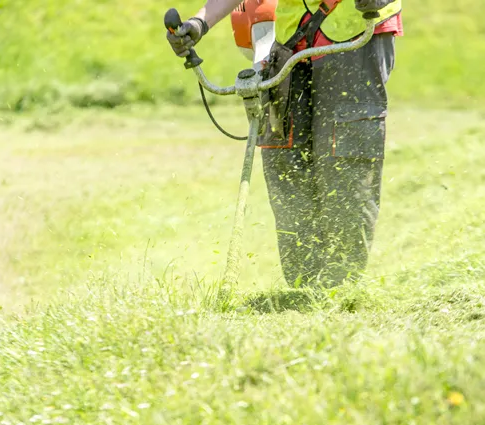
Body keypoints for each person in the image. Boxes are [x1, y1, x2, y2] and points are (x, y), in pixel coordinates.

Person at [167, 0, 403, 288]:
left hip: (354, 31)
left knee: (345, 161)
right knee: (286, 167)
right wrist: (199, 23)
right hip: (291, 38)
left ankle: (341, 288)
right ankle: (302, 287)